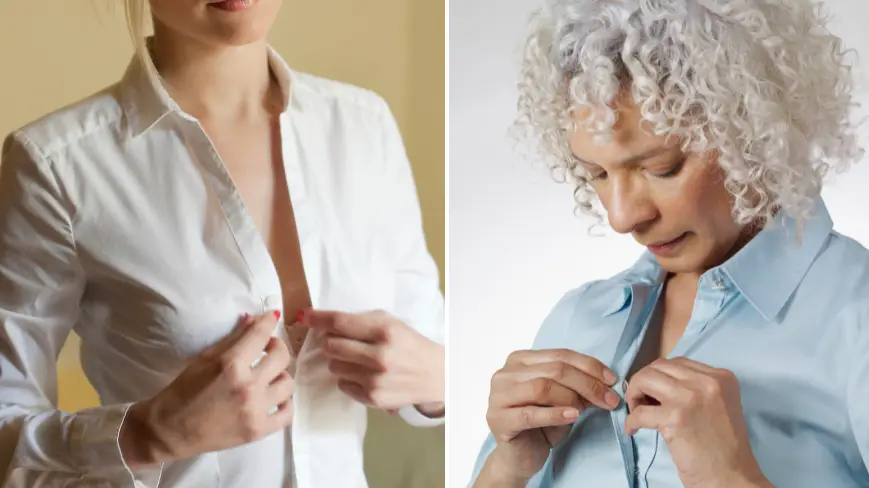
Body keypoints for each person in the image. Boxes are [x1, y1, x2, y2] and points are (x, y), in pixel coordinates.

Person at [0, 0, 445, 487]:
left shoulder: (364, 127)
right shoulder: (56, 166)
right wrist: (146, 435)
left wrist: (438, 378)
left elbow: (434, 347)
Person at [468, 0, 868, 487]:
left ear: (753, 131)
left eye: (661, 168)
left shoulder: (855, 315)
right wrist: (507, 469)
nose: (622, 216)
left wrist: (731, 477)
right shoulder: (576, 320)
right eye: (595, 174)